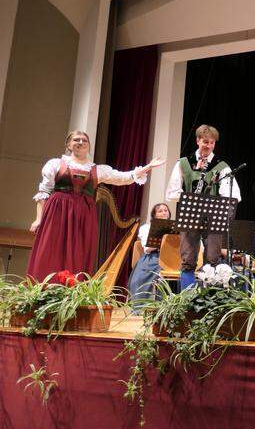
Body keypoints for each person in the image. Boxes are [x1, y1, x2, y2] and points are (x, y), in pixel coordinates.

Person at [27, 131, 165, 281]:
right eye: (76, 140)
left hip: (83, 215)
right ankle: (45, 288)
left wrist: (148, 167)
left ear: (89, 146)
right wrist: (38, 218)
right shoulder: (55, 164)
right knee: (51, 249)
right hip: (57, 212)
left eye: (84, 140)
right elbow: (44, 192)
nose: (80, 142)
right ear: (68, 144)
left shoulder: (98, 170)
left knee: (78, 251)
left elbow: (123, 177)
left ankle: (72, 289)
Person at [165, 124, 241, 290]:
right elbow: (171, 193)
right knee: (188, 259)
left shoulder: (221, 166)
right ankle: (186, 299)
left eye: (212, 143)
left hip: (213, 217)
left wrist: (219, 206)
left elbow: (234, 195)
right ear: (198, 140)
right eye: (206, 141)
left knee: (213, 259)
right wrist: (190, 197)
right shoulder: (183, 163)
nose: (209, 146)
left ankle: (209, 299)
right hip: (189, 215)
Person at [128, 203, 171, 313]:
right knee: (139, 279)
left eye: (166, 210)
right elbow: (147, 249)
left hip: (169, 258)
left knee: (168, 279)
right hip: (151, 258)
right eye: (160, 211)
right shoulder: (146, 228)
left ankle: (163, 309)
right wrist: (161, 239)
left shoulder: (174, 228)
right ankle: (139, 308)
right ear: (154, 215)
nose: (164, 212)